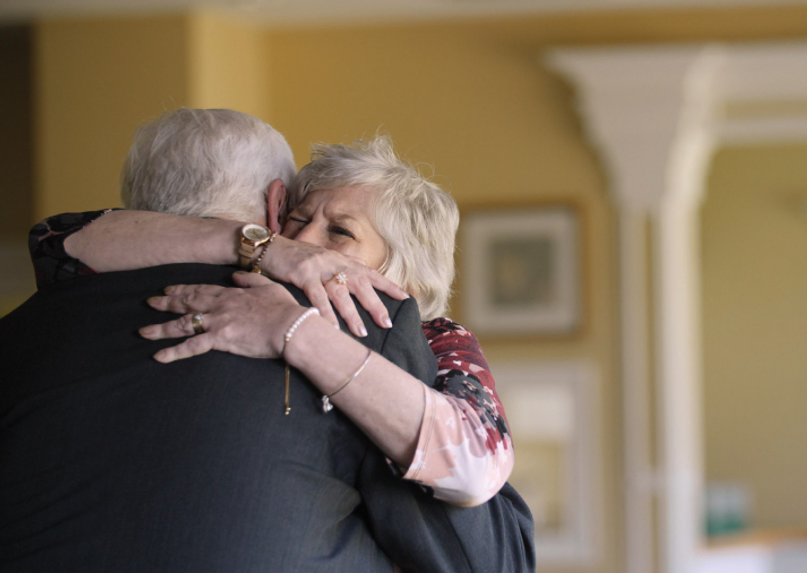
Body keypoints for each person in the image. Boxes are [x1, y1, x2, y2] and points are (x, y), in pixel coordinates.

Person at [0, 108, 534, 572]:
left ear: (404, 282)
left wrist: (291, 331)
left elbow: (473, 470)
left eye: (339, 233)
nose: (301, 243)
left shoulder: (408, 338)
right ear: (276, 210)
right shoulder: (257, 288)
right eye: (296, 221)